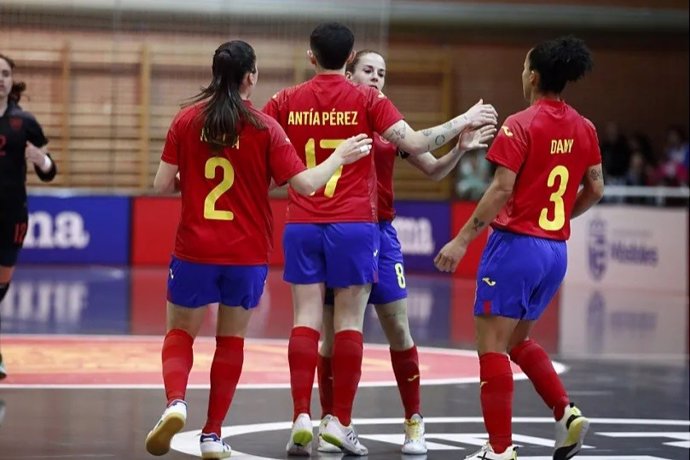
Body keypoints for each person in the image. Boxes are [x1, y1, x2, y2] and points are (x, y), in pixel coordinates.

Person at [263, 22, 497, 456]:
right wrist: (463, 118)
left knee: (396, 328)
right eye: (369, 69)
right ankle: (334, 420)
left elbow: (432, 167)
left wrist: (461, 149)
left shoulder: (379, 118)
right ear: (350, 69)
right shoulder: (365, 109)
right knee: (334, 335)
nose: (376, 78)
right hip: (353, 228)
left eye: (383, 73)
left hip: (375, 233)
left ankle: (412, 421)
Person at [143, 40, 372, 459]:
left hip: (194, 249)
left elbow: (160, 185)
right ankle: (212, 435)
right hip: (245, 255)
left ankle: (176, 401)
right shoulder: (266, 126)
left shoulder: (186, 119)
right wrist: (339, 155)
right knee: (230, 341)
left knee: (180, 333)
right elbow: (304, 185)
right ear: (251, 76)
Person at [434, 36, 604, 460]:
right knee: (518, 341)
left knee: (490, 347)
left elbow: (500, 189)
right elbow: (596, 187)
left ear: (532, 75)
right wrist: (561, 215)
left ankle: (499, 449)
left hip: (516, 248)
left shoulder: (521, 123)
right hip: (554, 252)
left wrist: (461, 239)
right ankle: (565, 412)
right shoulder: (585, 127)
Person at [0, 53, 57, 380]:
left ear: (11, 81)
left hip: (12, 215)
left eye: (5, 73)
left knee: (1, 285)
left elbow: (49, 171)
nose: (1, 78)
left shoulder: (25, 122)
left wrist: (42, 161)